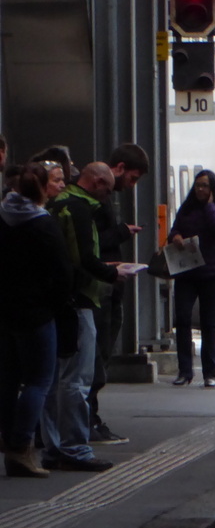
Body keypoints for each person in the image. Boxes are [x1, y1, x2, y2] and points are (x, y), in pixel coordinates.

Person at [42, 162, 122, 472]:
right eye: (109, 190)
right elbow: (84, 257)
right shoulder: (78, 209)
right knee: (76, 378)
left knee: (51, 379)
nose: (108, 197)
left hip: (51, 301)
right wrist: (112, 273)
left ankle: (52, 446)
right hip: (78, 299)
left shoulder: (52, 207)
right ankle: (74, 447)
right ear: (99, 183)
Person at [0, 163, 74, 477]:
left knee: (7, 379)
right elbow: (62, 273)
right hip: (37, 314)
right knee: (39, 381)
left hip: (5, 312)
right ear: (42, 190)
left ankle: (8, 440)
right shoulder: (44, 225)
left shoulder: (2, 218)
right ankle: (20, 448)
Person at [89, 143, 149, 445]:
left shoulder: (103, 200)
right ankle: (88, 418)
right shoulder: (94, 202)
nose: (131, 186)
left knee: (102, 352)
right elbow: (94, 244)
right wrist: (123, 232)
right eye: (133, 178)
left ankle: (91, 416)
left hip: (111, 284)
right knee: (97, 353)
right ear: (120, 168)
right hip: (101, 286)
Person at [168, 170, 215, 387]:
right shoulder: (187, 208)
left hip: (213, 274)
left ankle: (209, 373)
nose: (200, 190)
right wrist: (175, 235)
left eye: (205, 186)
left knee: (208, 323)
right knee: (183, 320)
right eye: (197, 186)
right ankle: (185, 371)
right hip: (187, 272)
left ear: (213, 189)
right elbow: (175, 228)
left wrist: (210, 205)